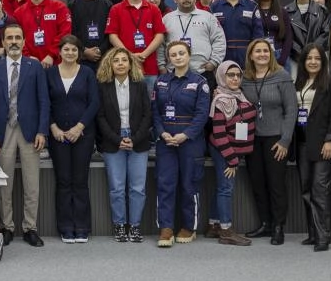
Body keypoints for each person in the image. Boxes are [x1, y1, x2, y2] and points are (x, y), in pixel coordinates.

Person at [0, 22, 50, 246]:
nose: (13, 42)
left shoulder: (35, 66)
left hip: (30, 131)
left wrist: (42, 131)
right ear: (3, 42)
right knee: (4, 184)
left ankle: (30, 228)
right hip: (4, 132)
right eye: (9, 38)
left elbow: (44, 101)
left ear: (24, 41)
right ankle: (7, 227)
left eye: (17, 38)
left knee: (32, 184)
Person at [151, 41, 211, 247]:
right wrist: (162, 133)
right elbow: (155, 112)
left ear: (189, 55)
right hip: (165, 140)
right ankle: (166, 227)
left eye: (181, 53)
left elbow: (202, 114)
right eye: (173, 54)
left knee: (189, 183)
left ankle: (188, 226)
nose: (177, 57)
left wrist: (185, 135)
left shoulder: (200, 82)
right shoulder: (160, 81)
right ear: (169, 58)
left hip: (190, 141)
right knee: (165, 184)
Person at [239, 38, 296, 245]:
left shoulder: (282, 76)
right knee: (258, 183)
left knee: (276, 184)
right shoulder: (245, 78)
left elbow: (291, 110)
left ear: (270, 54)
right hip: (253, 139)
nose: (262, 54)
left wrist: (285, 140)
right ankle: (265, 224)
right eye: (258, 51)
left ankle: (278, 226)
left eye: (265, 51)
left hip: (276, 139)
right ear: (251, 55)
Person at [95, 48, 152, 243]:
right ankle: (119, 225)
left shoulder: (140, 85)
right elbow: (100, 117)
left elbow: (147, 115)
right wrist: (117, 139)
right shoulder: (103, 87)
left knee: (137, 188)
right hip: (113, 141)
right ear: (110, 64)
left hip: (138, 141)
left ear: (130, 64)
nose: (120, 63)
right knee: (117, 188)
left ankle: (134, 226)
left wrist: (134, 139)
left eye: (124, 60)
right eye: (116, 60)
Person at [46, 36, 99, 243]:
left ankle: (82, 227)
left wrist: (79, 127)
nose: (70, 53)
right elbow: (45, 102)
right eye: (66, 49)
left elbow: (94, 103)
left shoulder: (87, 73)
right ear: (60, 51)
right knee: (63, 181)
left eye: (74, 50)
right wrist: (53, 127)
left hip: (83, 135)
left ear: (79, 52)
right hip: (57, 136)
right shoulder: (50, 73)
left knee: (80, 181)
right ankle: (66, 227)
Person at [293, 45, 331, 252]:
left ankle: (323, 236)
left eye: (317, 58)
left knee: (320, 189)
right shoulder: (298, 82)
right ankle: (313, 233)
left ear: (323, 62)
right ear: (303, 61)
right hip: (302, 143)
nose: (313, 62)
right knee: (306, 189)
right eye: (309, 58)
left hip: (323, 143)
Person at [206, 60, 255, 246]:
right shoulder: (220, 101)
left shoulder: (240, 95)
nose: (235, 78)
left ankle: (213, 225)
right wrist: (232, 160)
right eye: (230, 75)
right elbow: (219, 134)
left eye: (238, 75)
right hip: (224, 151)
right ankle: (226, 230)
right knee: (226, 189)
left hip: (234, 151)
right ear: (221, 77)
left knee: (222, 187)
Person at [107, 0, 168, 83]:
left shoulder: (154, 9)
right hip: (124, 67)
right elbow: (112, 36)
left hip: (149, 67)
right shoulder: (116, 9)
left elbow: (159, 35)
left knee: (149, 95)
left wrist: (144, 55)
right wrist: (129, 56)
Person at [164, 0, 226, 78]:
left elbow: (219, 40)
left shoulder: (208, 17)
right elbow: (160, 44)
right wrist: (161, 65)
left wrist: (214, 62)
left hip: (203, 72)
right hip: (173, 72)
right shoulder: (166, 19)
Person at [13, 0, 72, 67]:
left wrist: (51, 55)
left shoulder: (59, 7)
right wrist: (27, 56)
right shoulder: (18, 13)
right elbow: (17, 37)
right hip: (29, 64)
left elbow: (65, 33)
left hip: (57, 63)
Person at [212, 0, 264, 66]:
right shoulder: (214, 7)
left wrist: (254, 56)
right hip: (221, 57)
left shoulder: (252, 6)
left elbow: (258, 36)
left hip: (247, 57)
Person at [68, 0, 112, 74]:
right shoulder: (72, 5)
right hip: (79, 59)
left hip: (104, 60)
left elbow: (111, 33)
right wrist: (84, 50)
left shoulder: (108, 5)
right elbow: (71, 32)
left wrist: (100, 50)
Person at [286, 0, 330, 78]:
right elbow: (287, 37)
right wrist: (302, 55)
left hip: (318, 57)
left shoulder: (322, 10)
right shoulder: (286, 11)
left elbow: (325, 34)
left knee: (320, 86)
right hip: (295, 59)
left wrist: (312, 53)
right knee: (296, 86)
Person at [253, 0, 292, 67]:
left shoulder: (282, 11)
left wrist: (282, 59)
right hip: (259, 55)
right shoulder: (253, 10)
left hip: (279, 54)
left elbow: (288, 37)